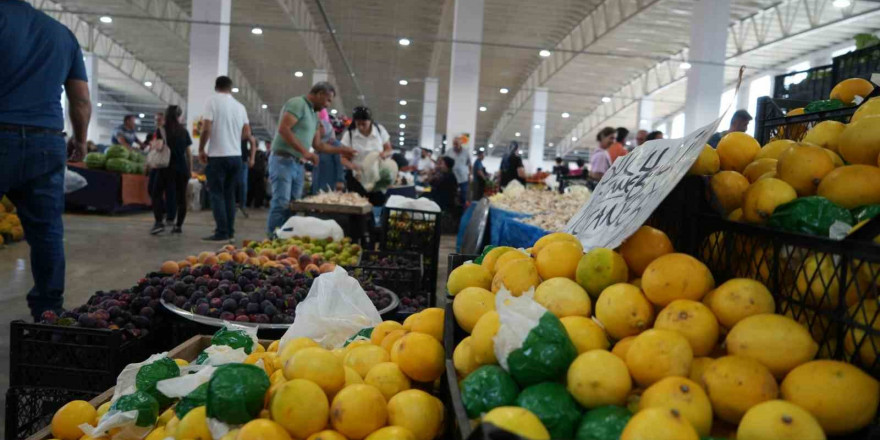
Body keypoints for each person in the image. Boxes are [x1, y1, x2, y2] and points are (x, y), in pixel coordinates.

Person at [0, 0, 91, 320]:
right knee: (48, 233)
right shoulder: (62, 34)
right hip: (48, 141)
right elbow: (80, 99)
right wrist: (80, 140)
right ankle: (49, 312)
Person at [268, 82, 355, 236]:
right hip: (283, 160)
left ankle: (286, 237)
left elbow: (319, 146)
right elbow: (284, 129)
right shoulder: (297, 103)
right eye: (328, 100)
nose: (327, 106)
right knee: (281, 203)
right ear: (320, 94)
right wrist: (305, 152)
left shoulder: (314, 115)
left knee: (293, 205)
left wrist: (343, 149)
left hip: (297, 164)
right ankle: (272, 238)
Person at [198, 76, 254, 242]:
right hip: (235, 157)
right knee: (230, 195)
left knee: (216, 194)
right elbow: (247, 133)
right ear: (230, 88)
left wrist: (201, 148)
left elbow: (206, 128)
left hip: (217, 156)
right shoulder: (240, 107)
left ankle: (221, 232)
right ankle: (230, 231)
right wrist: (233, 137)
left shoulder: (212, 101)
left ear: (216, 87)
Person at [148, 105, 192, 234]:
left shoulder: (161, 130)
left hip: (165, 168)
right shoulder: (184, 131)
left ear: (166, 115)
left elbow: (157, 148)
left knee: (156, 193)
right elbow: (188, 153)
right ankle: (178, 226)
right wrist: (190, 170)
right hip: (182, 168)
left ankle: (159, 222)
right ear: (179, 116)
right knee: (181, 198)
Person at [340, 106, 392, 203]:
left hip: (377, 176)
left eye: (364, 124)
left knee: (377, 204)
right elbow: (343, 158)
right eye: (358, 124)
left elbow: (389, 149)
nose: (360, 127)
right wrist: (352, 166)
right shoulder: (349, 135)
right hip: (358, 178)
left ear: (370, 121)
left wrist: (384, 154)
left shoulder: (379, 130)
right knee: (357, 206)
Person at [312, 109, 345, 193]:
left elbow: (340, 164)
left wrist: (340, 181)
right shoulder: (317, 145)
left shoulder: (335, 145)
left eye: (321, 126)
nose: (319, 129)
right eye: (318, 127)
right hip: (318, 183)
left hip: (330, 184)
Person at [445, 136, 471, 206]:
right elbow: (445, 163)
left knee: (463, 196)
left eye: (457, 143)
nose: (455, 145)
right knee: (450, 195)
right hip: (452, 178)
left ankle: (461, 211)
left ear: (460, 143)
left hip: (463, 178)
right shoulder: (449, 152)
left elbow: (469, 164)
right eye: (454, 144)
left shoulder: (466, 152)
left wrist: (470, 176)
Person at [237, 131, 257, 218]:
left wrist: (252, 158)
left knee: (242, 184)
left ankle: (242, 205)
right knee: (237, 184)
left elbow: (252, 141)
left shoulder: (244, 125)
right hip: (232, 158)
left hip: (242, 160)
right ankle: (233, 206)